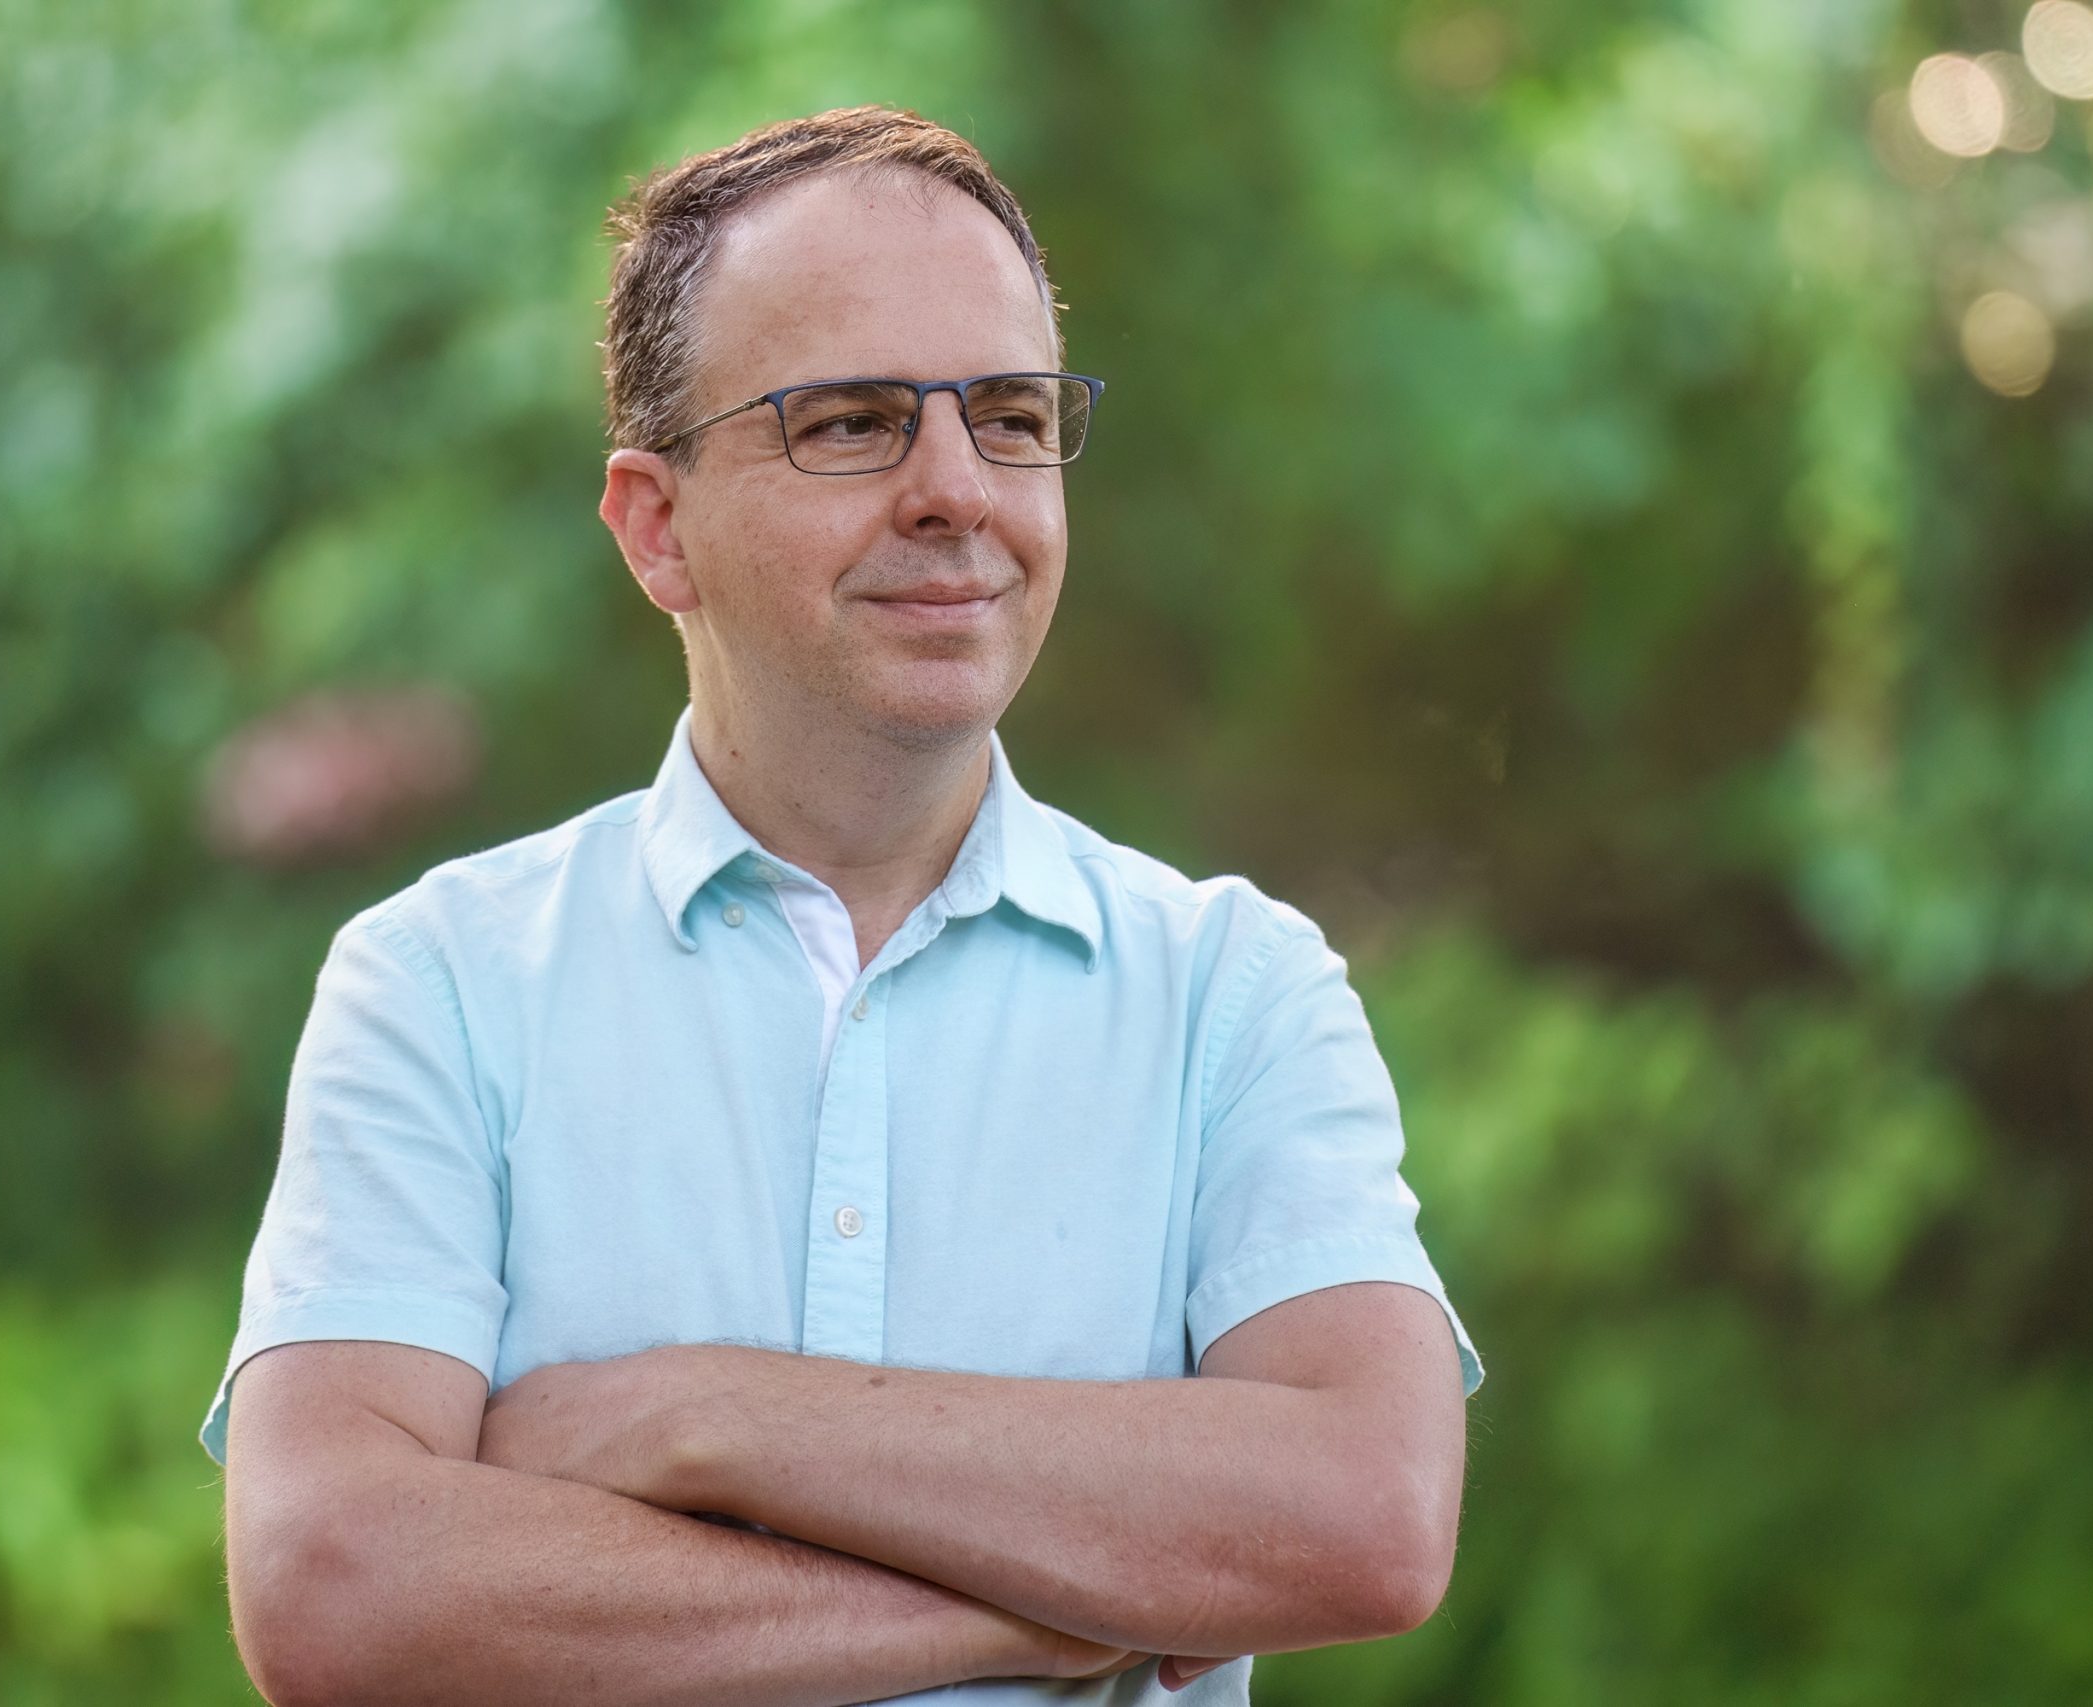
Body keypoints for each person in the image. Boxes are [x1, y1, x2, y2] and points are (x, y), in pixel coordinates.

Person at [201, 104, 1486, 1706]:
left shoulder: (1236, 991)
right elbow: (337, 1587)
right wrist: (1059, 1599)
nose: (958, 488)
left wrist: (702, 1421)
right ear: (656, 526)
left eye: (1010, 415)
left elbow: (1365, 1517)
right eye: (855, 422)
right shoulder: (440, 986)